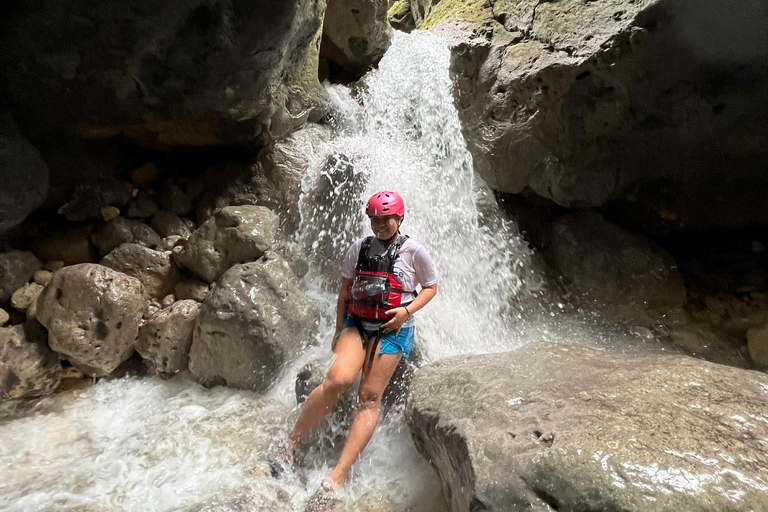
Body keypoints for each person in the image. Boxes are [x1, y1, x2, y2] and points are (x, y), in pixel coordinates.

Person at [269, 191, 438, 512]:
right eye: (375, 219)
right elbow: (345, 291)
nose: (381, 224)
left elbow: (431, 287)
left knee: (369, 397)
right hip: (357, 325)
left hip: (394, 330)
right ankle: (289, 444)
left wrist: (406, 311)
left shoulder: (415, 252)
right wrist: (338, 329)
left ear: (399, 219)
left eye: (386, 219)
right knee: (336, 380)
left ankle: (338, 476)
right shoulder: (358, 248)